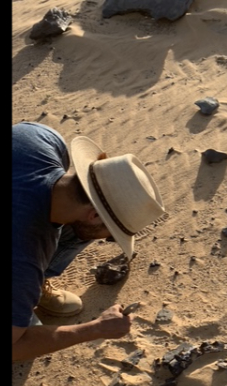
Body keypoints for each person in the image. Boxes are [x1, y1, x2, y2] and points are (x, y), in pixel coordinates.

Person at [12, 122, 165, 362]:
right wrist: (96, 328)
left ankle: (28, 293)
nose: (107, 239)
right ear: (94, 214)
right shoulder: (22, 261)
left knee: (78, 228)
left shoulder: (39, 138)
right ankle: (23, 299)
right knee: (24, 334)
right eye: (112, 234)